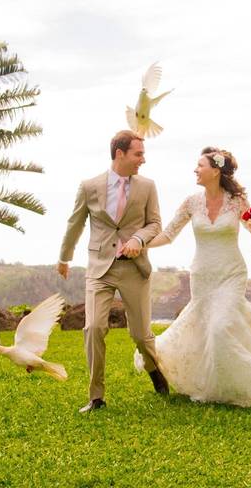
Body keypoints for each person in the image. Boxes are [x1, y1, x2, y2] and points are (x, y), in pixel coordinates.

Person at [140, 147, 251, 406]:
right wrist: (140, 244)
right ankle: (211, 383)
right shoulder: (191, 202)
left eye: (200, 165)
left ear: (216, 170)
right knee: (207, 331)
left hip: (231, 273)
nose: (195, 170)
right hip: (202, 276)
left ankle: (239, 384)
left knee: (220, 329)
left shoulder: (237, 201)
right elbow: (168, 234)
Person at [58, 130, 168, 413]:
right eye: (138, 154)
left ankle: (154, 369)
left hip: (135, 268)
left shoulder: (147, 186)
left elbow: (155, 223)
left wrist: (138, 239)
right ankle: (96, 397)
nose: (143, 160)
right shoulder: (89, 186)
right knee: (93, 327)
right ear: (120, 154)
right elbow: (75, 223)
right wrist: (64, 257)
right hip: (100, 269)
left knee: (141, 335)